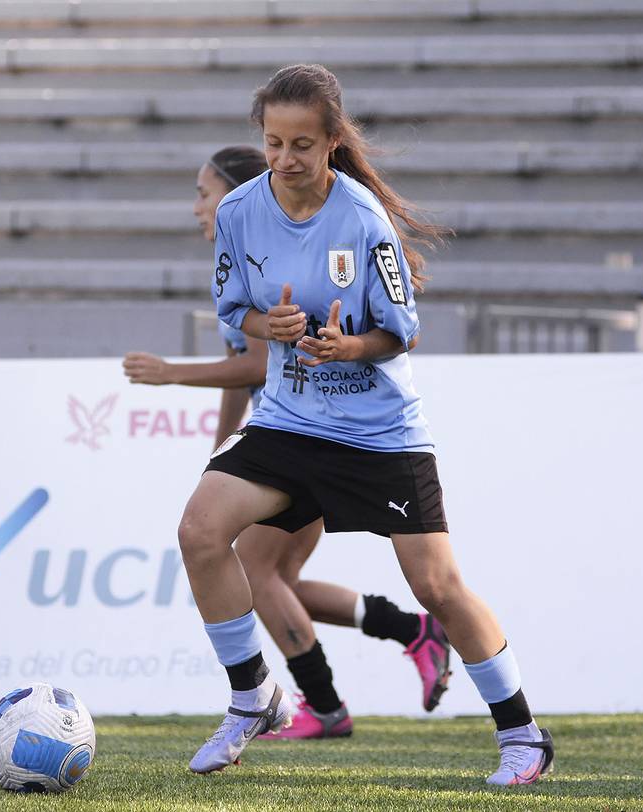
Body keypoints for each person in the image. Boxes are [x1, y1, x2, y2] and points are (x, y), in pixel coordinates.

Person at [178, 64, 554, 785]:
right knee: (200, 529)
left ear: (330, 144)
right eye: (272, 143)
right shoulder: (239, 213)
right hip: (290, 420)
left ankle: (523, 735)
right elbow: (237, 312)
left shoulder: (360, 219)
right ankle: (252, 694)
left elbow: (401, 333)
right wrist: (275, 323)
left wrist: (344, 345)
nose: (284, 160)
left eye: (301, 146)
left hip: (376, 431)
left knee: (438, 587)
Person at [123, 146, 454, 741]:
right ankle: (410, 631)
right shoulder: (245, 257)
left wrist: (172, 372)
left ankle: (322, 706)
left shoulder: (277, 253)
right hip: (281, 442)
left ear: (234, 193)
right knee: (275, 581)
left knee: (258, 576)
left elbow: (252, 365)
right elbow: (245, 367)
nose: (197, 206)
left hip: (312, 441)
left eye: (204, 192)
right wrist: (224, 445)